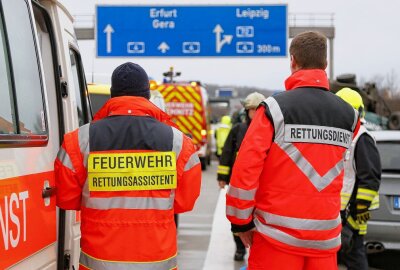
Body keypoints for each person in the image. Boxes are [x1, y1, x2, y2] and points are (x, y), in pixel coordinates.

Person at [225, 31, 360, 270]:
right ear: (325, 64)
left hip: (275, 240)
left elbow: (246, 168)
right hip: (325, 242)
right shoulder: (349, 115)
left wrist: (240, 223)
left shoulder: (274, 109)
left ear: (292, 61)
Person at [55, 62, 202, 270]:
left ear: (112, 95)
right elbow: (184, 202)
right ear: (147, 96)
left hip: (99, 261)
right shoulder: (178, 142)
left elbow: (67, 199)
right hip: (157, 261)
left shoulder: (79, 140)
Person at [217, 92, 266, 261]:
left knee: (258, 219)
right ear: (247, 111)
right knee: (238, 217)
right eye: (253, 110)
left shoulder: (269, 130)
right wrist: (222, 176)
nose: (256, 113)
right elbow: (227, 153)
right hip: (239, 183)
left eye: (258, 110)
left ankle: (257, 248)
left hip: (261, 184)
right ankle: (240, 249)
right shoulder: (238, 130)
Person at [336, 87, 381, 270]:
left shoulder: (362, 138)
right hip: (337, 216)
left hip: (352, 217)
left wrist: (351, 223)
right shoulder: (341, 137)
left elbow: (369, 180)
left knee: (355, 259)